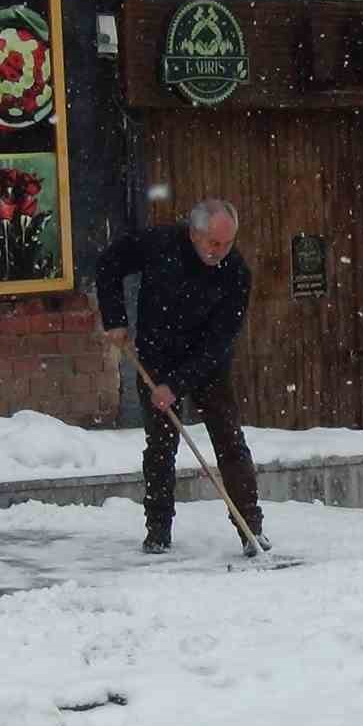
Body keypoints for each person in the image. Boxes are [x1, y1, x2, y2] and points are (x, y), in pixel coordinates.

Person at [95, 198, 270, 556]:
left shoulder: (236, 273)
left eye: (228, 244)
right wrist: (115, 318)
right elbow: (110, 263)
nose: (220, 252)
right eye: (213, 243)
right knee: (160, 446)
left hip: (207, 365)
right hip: (156, 359)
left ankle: (250, 528)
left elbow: (221, 342)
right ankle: (158, 531)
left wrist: (176, 385)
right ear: (194, 233)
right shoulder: (160, 245)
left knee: (229, 441)